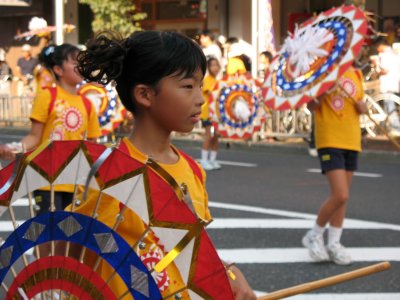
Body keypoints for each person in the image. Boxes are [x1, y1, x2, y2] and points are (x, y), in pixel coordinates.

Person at [75, 30, 256, 299]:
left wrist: (229, 273)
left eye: (200, 86)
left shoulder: (192, 170)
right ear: (145, 95)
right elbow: (76, 252)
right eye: (187, 86)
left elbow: (192, 250)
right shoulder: (108, 173)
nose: (200, 98)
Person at [0, 43, 101, 213]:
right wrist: (14, 149)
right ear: (58, 70)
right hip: (45, 180)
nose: (80, 66)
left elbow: (92, 145)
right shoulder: (46, 96)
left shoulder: (87, 104)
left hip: (76, 183)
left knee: (68, 237)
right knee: (47, 235)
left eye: (82, 62)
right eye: (75, 62)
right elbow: (34, 137)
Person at [302, 64, 367, 265]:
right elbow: (310, 106)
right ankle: (314, 234)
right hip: (330, 139)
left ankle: (334, 243)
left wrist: (362, 107)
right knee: (341, 194)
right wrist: (325, 90)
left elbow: (361, 103)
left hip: (351, 138)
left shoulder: (355, 73)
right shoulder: (321, 71)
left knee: (342, 199)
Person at [200, 57, 222, 170]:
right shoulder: (207, 80)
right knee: (209, 135)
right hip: (207, 113)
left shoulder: (218, 81)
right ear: (208, 67)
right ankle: (204, 160)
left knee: (216, 136)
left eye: (217, 65)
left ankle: (212, 160)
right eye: (213, 65)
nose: (215, 67)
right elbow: (212, 93)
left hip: (216, 114)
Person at [375, 38, 400, 135]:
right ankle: (384, 128)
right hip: (394, 82)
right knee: (388, 106)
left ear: (381, 45)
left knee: (389, 106)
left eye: (377, 47)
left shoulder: (384, 55)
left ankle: (396, 127)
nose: (377, 49)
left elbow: (384, 70)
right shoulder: (395, 54)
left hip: (387, 83)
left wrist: (377, 69)